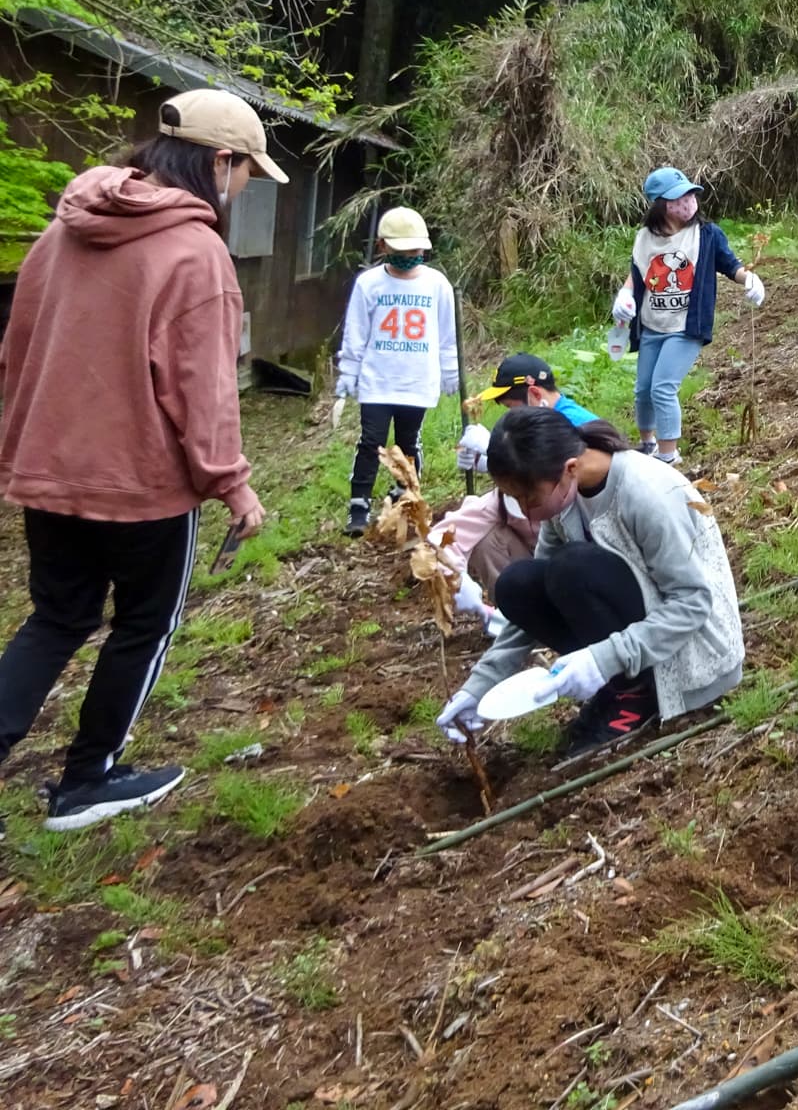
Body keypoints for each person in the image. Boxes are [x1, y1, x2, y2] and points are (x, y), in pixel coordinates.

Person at [0, 89, 277, 833]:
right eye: (249, 171)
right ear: (220, 162)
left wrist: (17, 451)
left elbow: (15, 353)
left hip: (48, 469)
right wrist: (234, 487)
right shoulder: (196, 254)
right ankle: (86, 780)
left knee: (57, 618)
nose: (246, 188)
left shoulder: (60, 233)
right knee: (145, 624)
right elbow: (205, 391)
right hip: (144, 487)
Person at [433, 409, 743, 756]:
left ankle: (634, 694)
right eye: (515, 499)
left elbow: (692, 602)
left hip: (693, 655)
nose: (525, 510)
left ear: (569, 469)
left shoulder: (647, 493)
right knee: (516, 583)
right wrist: (480, 687)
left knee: (571, 566)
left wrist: (604, 658)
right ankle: (619, 686)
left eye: (529, 499)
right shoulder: (564, 498)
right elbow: (533, 601)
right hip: (637, 628)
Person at [612, 167, 766, 466]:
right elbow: (638, 274)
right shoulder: (645, 238)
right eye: (678, 197)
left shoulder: (707, 235)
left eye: (690, 194)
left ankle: (668, 456)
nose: (688, 202)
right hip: (652, 325)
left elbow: (730, 265)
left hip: (685, 326)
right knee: (643, 389)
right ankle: (647, 444)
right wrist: (625, 295)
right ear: (661, 205)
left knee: (662, 387)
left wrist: (749, 279)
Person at [333, 207, 458, 537]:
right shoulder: (369, 284)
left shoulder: (437, 285)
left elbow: (447, 336)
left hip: (417, 381)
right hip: (378, 380)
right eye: (401, 251)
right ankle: (359, 504)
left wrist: (451, 373)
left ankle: (405, 494)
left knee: (408, 443)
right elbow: (356, 331)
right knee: (371, 441)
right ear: (383, 247)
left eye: (415, 251)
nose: (409, 257)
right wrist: (349, 372)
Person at [440, 355, 603, 607]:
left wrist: (490, 450)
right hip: (547, 534)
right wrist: (484, 463)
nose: (511, 416)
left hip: (582, 541)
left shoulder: (576, 425)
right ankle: (517, 613)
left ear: (535, 394)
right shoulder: (539, 424)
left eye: (511, 407)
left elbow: (566, 482)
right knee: (487, 538)